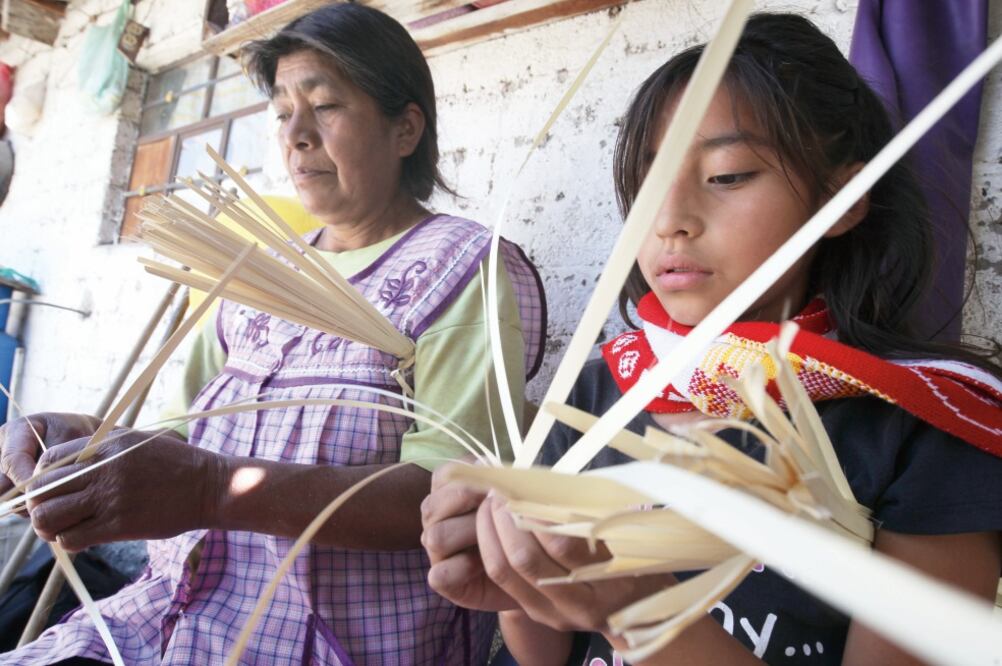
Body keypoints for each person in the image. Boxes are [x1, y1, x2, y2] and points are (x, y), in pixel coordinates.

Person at [420, 12, 1002, 666]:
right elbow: (542, 653)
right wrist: (512, 570)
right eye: (649, 183)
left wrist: (636, 611)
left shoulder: (929, 428)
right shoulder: (598, 392)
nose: (669, 220)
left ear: (839, 200)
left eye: (726, 175)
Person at [0, 5, 545, 665]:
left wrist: (211, 489)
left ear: (405, 128)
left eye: (326, 106)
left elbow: (449, 493)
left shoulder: (463, 268)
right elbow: (180, 440)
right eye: (284, 111)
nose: (297, 135)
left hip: (331, 644)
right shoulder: (257, 272)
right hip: (168, 616)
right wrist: (90, 443)